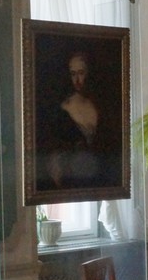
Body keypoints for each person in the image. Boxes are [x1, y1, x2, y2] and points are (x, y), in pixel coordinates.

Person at [42, 50, 117, 190]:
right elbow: (55, 158)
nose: (77, 80)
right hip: (74, 181)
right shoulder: (65, 109)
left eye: (81, 73)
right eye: (73, 74)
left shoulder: (102, 107)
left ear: (89, 73)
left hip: (101, 180)